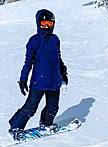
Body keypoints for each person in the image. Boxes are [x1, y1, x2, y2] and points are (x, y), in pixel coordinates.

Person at [8, 9, 68, 140]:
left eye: (49, 24)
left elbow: (58, 58)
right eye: (43, 24)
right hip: (38, 82)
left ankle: (46, 123)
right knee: (31, 107)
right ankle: (16, 127)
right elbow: (28, 62)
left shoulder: (55, 39)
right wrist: (23, 79)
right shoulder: (34, 41)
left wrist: (63, 73)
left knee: (53, 107)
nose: (46, 27)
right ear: (38, 24)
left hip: (54, 81)